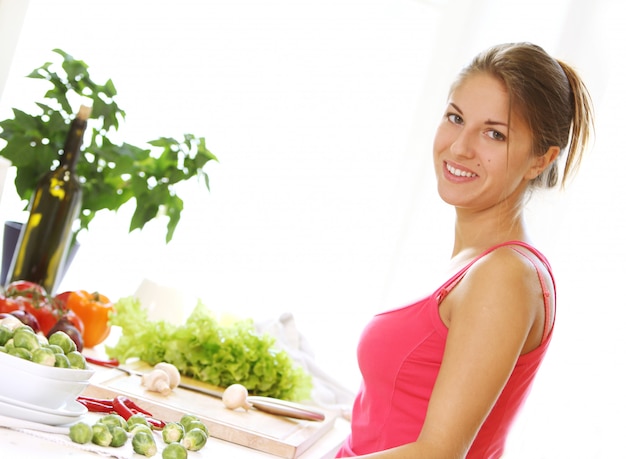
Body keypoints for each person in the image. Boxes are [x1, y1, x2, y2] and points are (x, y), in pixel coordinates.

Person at [335, 42, 594, 459]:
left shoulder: (504, 276)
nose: (460, 147)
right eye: (456, 118)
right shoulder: (477, 264)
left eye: (495, 133)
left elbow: (438, 453)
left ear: (540, 160)